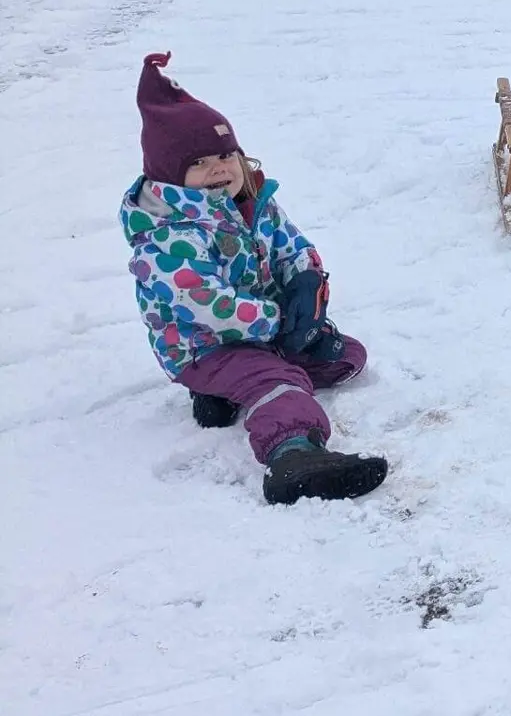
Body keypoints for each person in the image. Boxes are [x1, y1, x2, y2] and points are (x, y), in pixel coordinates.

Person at [121, 53, 388, 505]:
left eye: (227, 155)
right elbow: (208, 305)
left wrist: (306, 283)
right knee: (280, 382)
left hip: (263, 329)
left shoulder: (253, 203)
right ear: (170, 174)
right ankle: (294, 456)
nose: (220, 168)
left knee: (346, 358)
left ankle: (221, 398)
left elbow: (292, 246)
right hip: (204, 346)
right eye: (201, 161)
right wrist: (277, 319)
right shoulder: (167, 239)